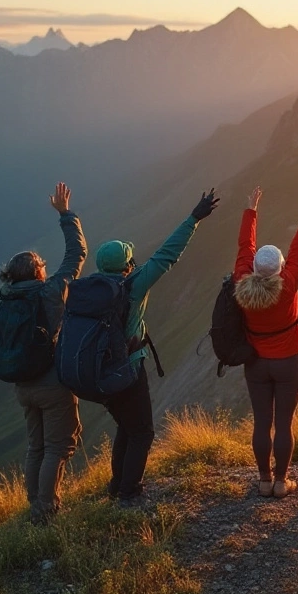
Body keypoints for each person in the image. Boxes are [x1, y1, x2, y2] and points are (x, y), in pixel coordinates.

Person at [96, 188, 220, 507]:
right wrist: (194, 218)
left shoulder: (90, 290)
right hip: (128, 370)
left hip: (98, 373)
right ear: (127, 264)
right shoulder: (133, 286)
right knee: (143, 432)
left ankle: (116, 484)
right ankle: (129, 492)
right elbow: (166, 255)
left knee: (127, 425)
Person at [235, 180, 298, 498]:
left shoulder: (241, 282)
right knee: (284, 423)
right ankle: (281, 481)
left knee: (262, 422)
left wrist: (251, 210)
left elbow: (244, 248)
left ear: (252, 270)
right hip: (289, 359)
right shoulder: (288, 282)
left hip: (256, 362)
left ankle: (263, 480)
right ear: (279, 269)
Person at [0, 182, 87, 525]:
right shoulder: (51, 292)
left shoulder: (8, 297)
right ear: (39, 272)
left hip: (22, 385)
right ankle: (45, 510)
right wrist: (66, 214)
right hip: (53, 384)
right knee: (57, 447)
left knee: (35, 446)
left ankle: (34, 503)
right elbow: (77, 253)